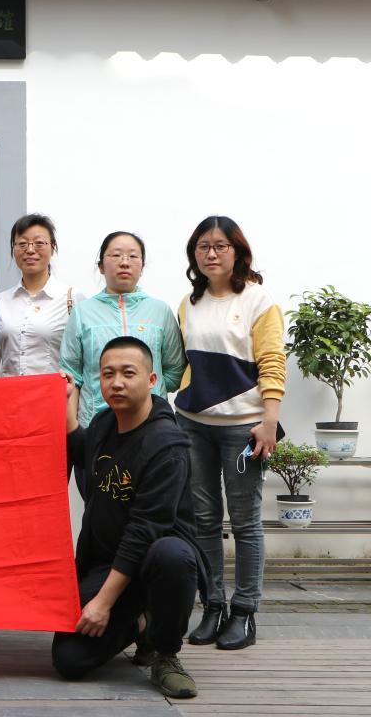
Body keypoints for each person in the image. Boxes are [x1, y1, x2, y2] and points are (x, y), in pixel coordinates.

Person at [52, 336, 206, 699]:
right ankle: (141, 622)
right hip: (108, 564)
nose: (117, 382)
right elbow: (80, 449)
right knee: (69, 659)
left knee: (172, 554)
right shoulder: (106, 422)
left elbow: (143, 531)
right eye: (108, 374)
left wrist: (103, 603)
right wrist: (67, 401)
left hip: (153, 564)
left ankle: (165, 652)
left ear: (152, 380)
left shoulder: (167, 446)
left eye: (128, 373)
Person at [175, 216, 285, 651]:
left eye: (220, 245)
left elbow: (273, 361)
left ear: (237, 251)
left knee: (245, 523)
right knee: (203, 520)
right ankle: (213, 606)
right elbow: (184, 363)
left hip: (243, 427)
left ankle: (244, 611)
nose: (211, 253)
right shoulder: (189, 303)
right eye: (203, 246)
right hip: (193, 424)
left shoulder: (258, 300)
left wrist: (269, 420)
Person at [59, 231, 186, 430]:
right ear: (101, 266)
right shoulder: (83, 312)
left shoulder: (160, 311)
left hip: (151, 423)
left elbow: (175, 371)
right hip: (95, 423)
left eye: (133, 256)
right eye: (116, 255)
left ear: (142, 267)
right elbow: (71, 374)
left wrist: (145, 391)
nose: (125, 262)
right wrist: (73, 429)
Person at [0, 214, 83, 377]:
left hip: (52, 391)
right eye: (22, 244)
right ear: (13, 249)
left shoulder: (71, 298)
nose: (30, 250)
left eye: (39, 243)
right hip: (9, 391)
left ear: (53, 248)